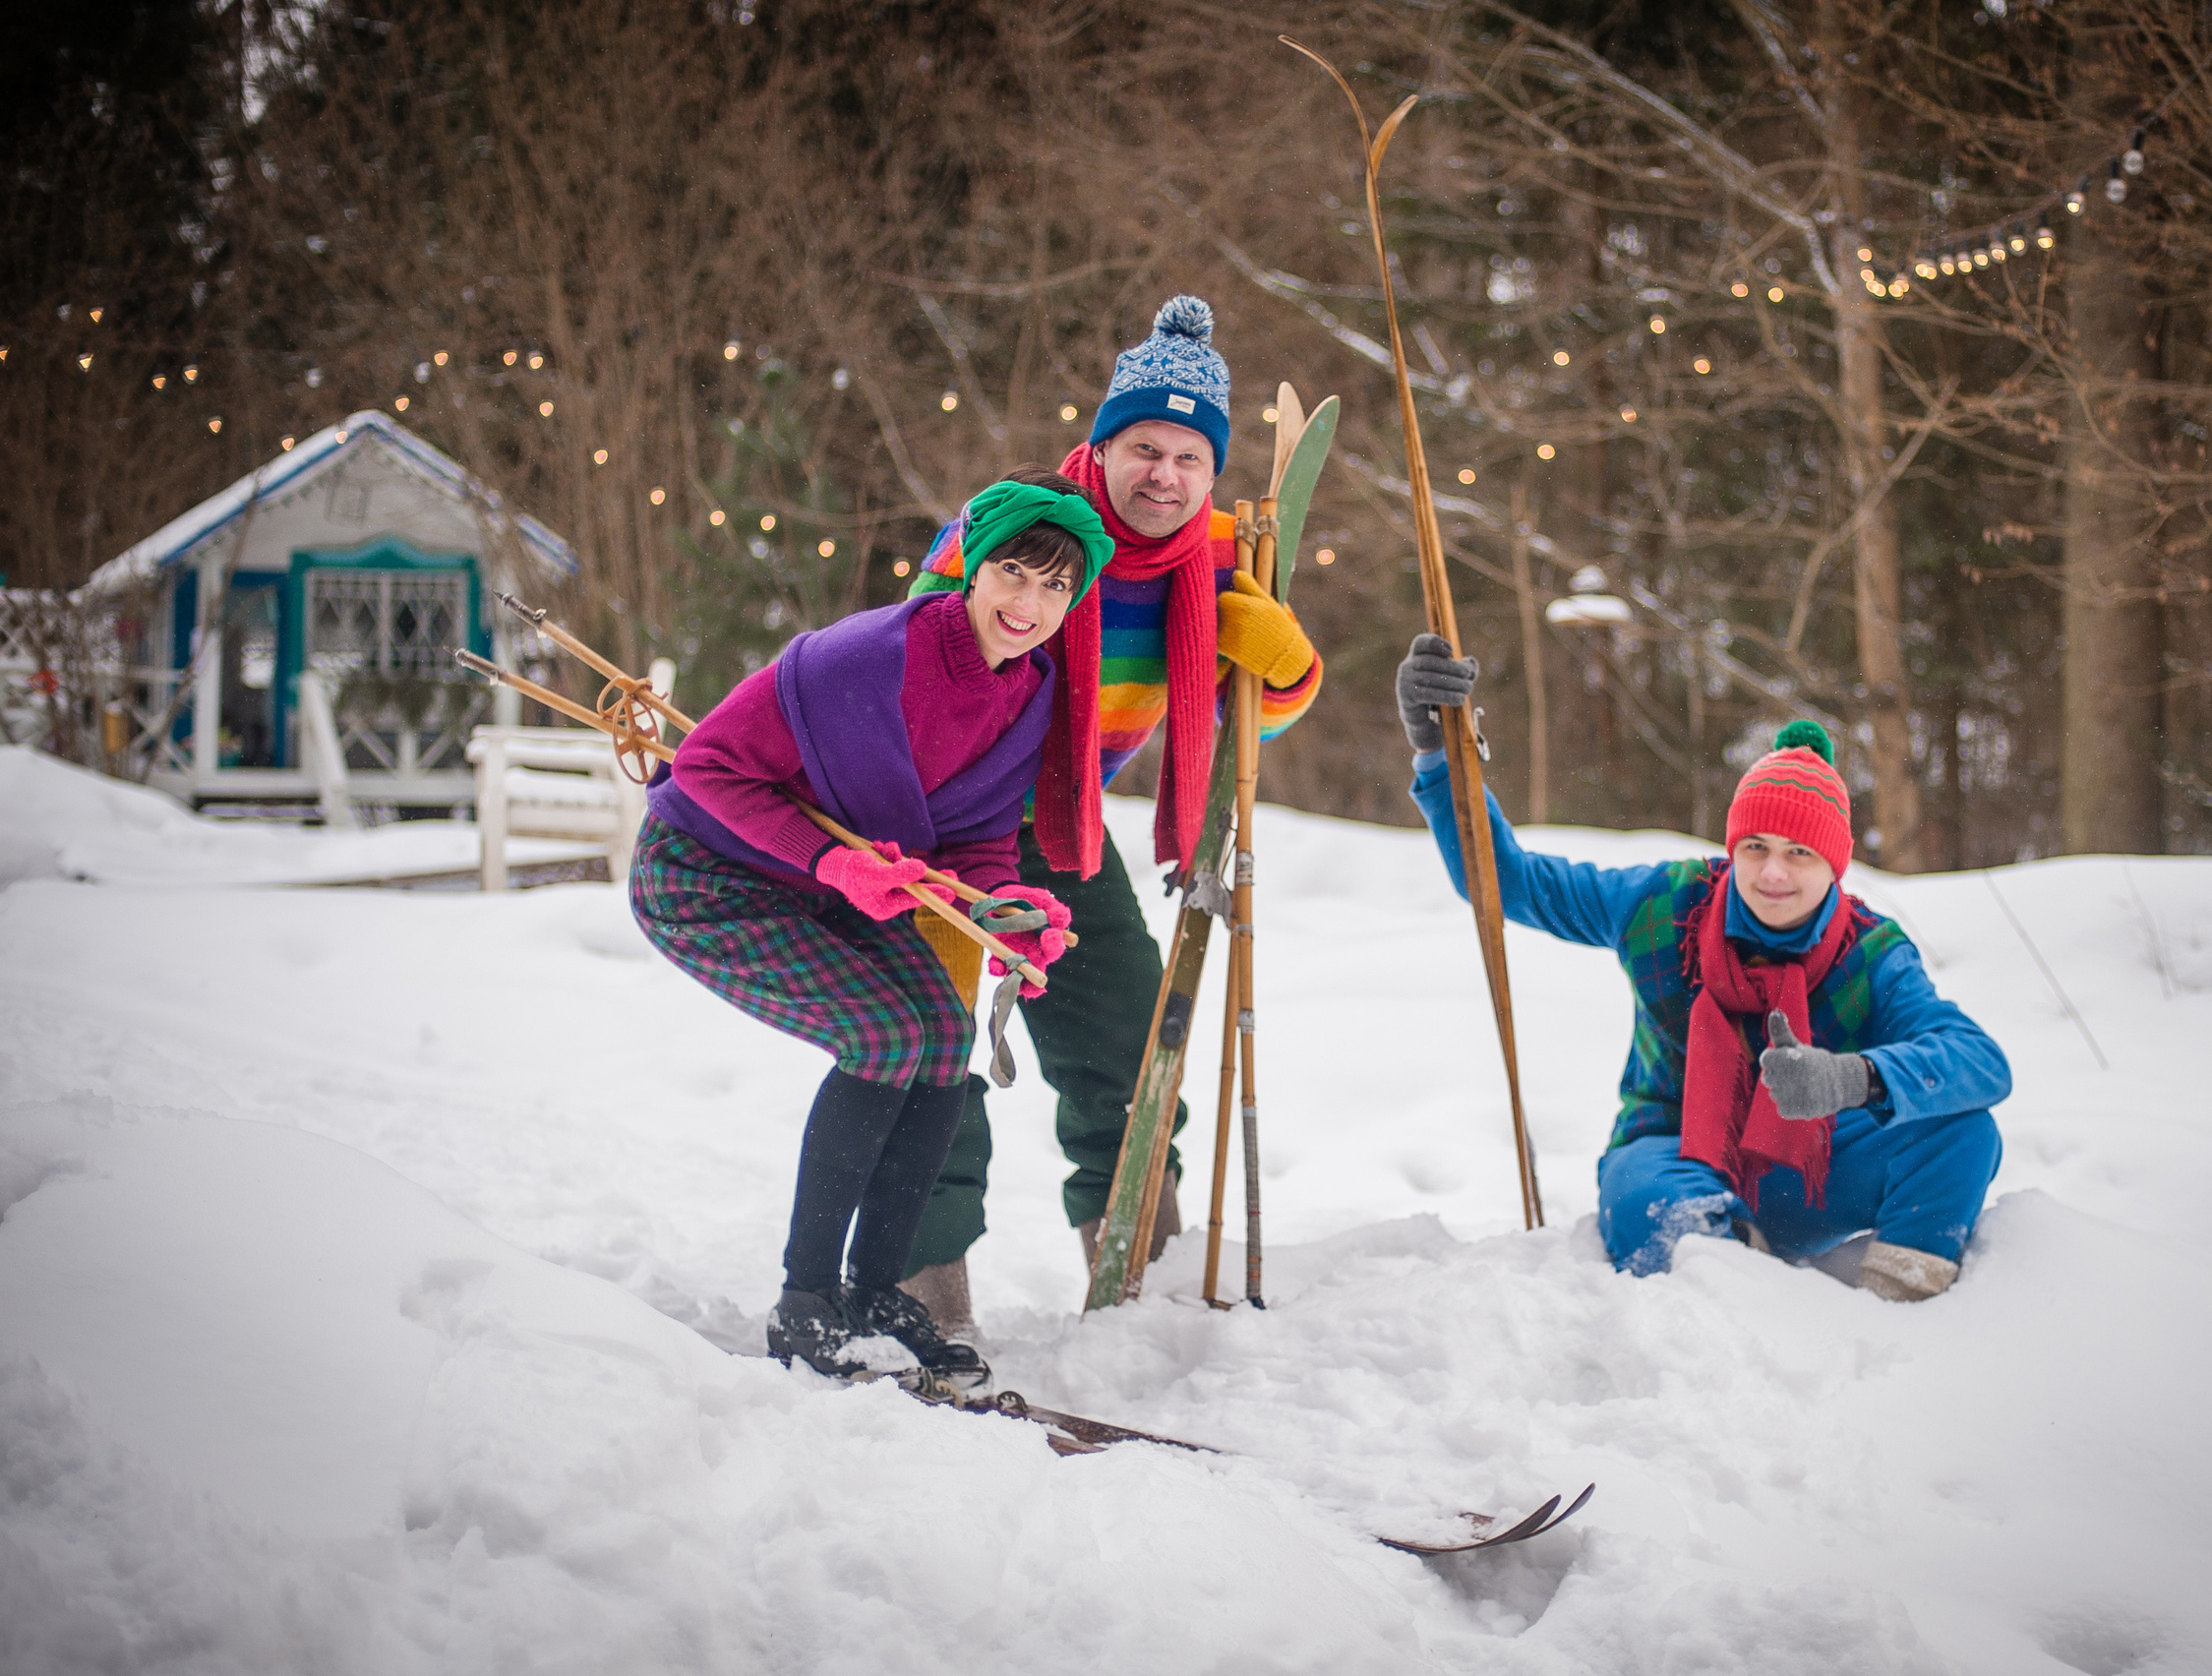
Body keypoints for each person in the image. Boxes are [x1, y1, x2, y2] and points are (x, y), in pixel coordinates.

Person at [629, 470, 1113, 1387]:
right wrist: (831, 861)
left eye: (1058, 586)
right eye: (1016, 571)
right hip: (708, 875)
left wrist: (1007, 912)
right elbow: (703, 769)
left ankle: (878, 1290)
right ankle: (806, 1302)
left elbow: (973, 836)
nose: (1032, 602)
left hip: (840, 888)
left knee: (942, 1036)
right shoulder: (863, 658)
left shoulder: (1031, 692)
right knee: (882, 1033)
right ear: (972, 565)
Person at [895, 295, 1326, 1328]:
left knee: (1133, 1047)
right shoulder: (1012, 527)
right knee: (928, 1050)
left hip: (1063, 828)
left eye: (1188, 457)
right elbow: (902, 662)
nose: (1163, 476)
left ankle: (1138, 1281)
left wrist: (1280, 661)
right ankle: (922, 1296)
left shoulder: (1225, 556)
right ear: (1103, 444)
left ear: (1212, 472)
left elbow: (1255, 725)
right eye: (1143, 447)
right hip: (939, 825)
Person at [1394, 638, 2011, 1300]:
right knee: (1660, 1210)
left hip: (1803, 1167)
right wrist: (1439, 754)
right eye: (1756, 847)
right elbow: (1508, 884)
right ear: (1732, 847)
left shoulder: (1871, 950)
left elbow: (1980, 1062)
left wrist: (1849, 1078)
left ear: (1834, 865)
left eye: (1800, 853)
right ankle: (1726, 1297)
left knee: (1962, 1132)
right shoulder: (1662, 903)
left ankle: (1896, 1315)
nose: (1773, 873)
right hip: (1670, 1150)